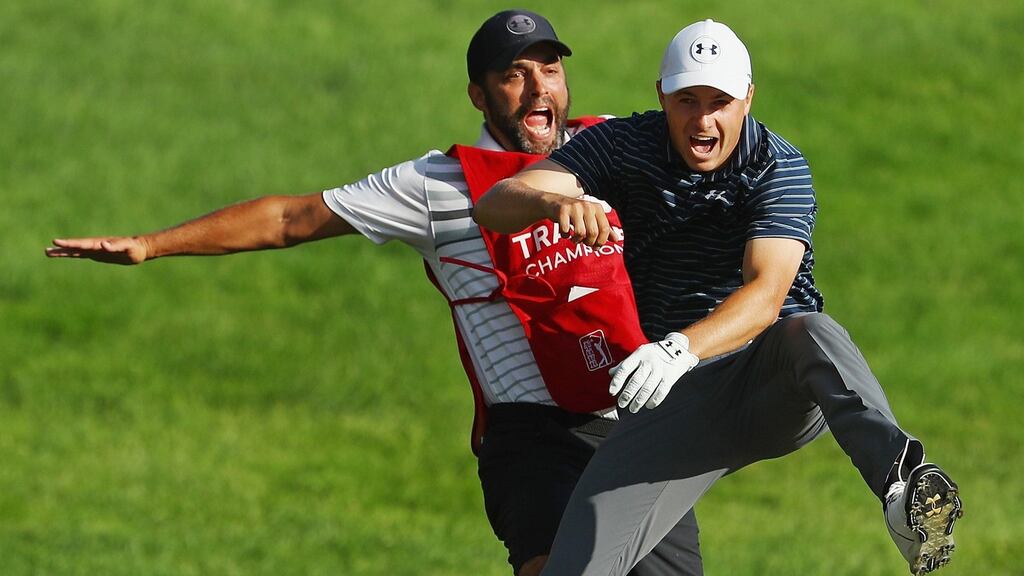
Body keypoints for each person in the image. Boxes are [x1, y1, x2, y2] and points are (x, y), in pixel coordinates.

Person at [45, 10, 704, 576]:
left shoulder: (614, 143)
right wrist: (150, 244)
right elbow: (289, 219)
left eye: (549, 69)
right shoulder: (436, 185)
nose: (538, 86)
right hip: (532, 440)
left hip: (637, 418)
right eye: (514, 74)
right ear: (479, 95)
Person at [473, 18, 963, 576]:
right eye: (687, 100)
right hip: (676, 401)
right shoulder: (623, 144)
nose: (703, 120)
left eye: (720, 101)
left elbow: (767, 296)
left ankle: (901, 489)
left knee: (811, 332)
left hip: (768, 384)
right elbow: (494, 203)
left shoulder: (777, 166)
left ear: (748, 98)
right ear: (661, 96)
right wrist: (553, 204)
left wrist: (678, 348)